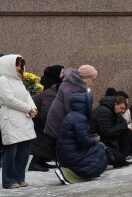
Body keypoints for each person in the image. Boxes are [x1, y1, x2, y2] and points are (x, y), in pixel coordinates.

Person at [0, 55, 38, 189]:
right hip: (11, 118)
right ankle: (9, 180)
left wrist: (33, 108)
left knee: (24, 150)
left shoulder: (18, 80)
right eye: (17, 65)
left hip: (24, 118)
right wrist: (28, 109)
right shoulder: (3, 80)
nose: (20, 68)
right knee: (11, 150)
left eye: (21, 65)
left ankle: (20, 177)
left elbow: (27, 95)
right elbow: (8, 100)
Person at [55, 92, 110, 183]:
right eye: (90, 103)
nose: (92, 105)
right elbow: (84, 141)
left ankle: (84, 172)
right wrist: (96, 139)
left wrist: (90, 137)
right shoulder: (80, 118)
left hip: (67, 154)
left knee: (99, 148)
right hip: (71, 155)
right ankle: (82, 173)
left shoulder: (74, 115)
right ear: (84, 105)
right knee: (101, 149)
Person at [44, 65, 96, 150]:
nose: (94, 82)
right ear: (86, 78)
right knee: (66, 149)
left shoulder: (74, 84)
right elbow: (71, 108)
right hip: (60, 120)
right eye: (93, 80)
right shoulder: (72, 87)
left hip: (62, 120)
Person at [29, 65, 63, 171]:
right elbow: (47, 113)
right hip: (35, 119)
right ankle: (35, 163)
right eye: (62, 72)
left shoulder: (53, 92)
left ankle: (41, 161)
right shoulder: (51, 94)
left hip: (36, 117)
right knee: (44, 138)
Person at [90, 90, 132, 168]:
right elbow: (106, 132)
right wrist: (120, 126)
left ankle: (121, 156)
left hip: (110, 138)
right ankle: (119, 158)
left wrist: (121, 126)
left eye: (124, 109)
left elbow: (123, 122)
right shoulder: (104, 111)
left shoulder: (114, 110)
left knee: (128, 132)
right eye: (122, 108)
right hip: (101, 141)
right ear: (116, 104)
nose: (123, 111)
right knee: (120, 161)